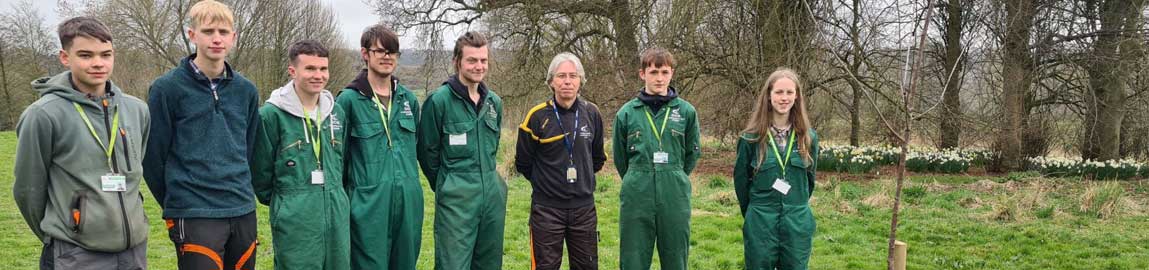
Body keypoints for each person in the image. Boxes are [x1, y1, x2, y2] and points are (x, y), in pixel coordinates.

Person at [14, 16, 150, 270]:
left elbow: (135, 169)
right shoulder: (43, 114)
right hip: (77, 254)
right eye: (86, 55)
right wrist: (67, 232)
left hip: (134, 252)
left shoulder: (137, 109)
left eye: (105, 54)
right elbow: (27, 190)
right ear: (65, 58)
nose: (98, 63)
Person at [142, 1, 261, 269]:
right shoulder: (166, 89)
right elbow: (152, 157)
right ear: (192, 34)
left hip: (241, 207)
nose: (216, 39)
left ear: (234, 37)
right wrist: (179, 200)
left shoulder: (247, 91)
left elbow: (250, 148)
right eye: (208, 31)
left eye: (223, 31)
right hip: (193, 211)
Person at [251, 40, 350, 270]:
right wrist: (287, 203)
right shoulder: (270, 115)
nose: (318, 75)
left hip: (336, 213)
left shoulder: (336, 113)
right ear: (292, 71)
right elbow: (261, 173)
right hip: (295, 217)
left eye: (323, 68)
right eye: (310, 68)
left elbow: (342, 161)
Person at [416, 31, 506, 270]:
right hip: (456, 199)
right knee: (452, 265)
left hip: (491, 195)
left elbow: (493, 146)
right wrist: (449, 185)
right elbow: (427, 153)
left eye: (483, 60)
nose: (479, 66)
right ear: (457, 61)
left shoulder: (493, 102)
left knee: (489, 263)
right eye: (472, 60)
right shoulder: (439, 101)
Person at [336, 24, 423, 270]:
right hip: (368, 205)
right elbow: (339, 159)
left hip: (407, 203)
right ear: (365, 54)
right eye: (381, 51)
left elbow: (419, 150)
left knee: (406, 263)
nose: (387, 57)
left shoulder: (408, 100)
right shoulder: (348, 101)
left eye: (393, 52)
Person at [514, 52, 607, 270]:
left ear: (580, 81)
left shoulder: (592, 113)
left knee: (587, 266)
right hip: (546, 210)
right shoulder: (536, 117)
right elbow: (524, 163)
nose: (567, 81)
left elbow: (597, 159)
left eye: (573, 76)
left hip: (584, 209)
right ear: (551, 81)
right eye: (561, 76)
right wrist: (548, 184)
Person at [612, 48, 700, 270]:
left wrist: (674, 174)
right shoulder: (626, 113)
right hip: (637, 191)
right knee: (633, 256)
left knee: (676, 256)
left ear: (672, 73)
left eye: (664, 72)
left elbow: (692, 154)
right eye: (653, 72)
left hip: (674, 191)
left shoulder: (687, 112)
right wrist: (637, 176)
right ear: (642, 74)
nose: (659, 78)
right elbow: (620, 157)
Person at [733, 68, 820, 270]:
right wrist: (755, 213)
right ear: (769, 95)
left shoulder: (808, 138)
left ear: (797, 96)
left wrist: (795, 206)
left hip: (796, 221)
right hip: (761, 220)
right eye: (779, 92)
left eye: (789, 92)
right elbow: (741, 183)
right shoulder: (750, 138)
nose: (784, 98)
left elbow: (810, 181)